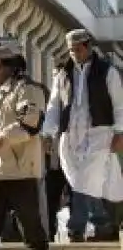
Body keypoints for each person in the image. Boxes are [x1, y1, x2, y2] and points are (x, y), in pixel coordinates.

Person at [42, 28, 123, 242]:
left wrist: (120, 132)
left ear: (87, 47)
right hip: (70, 136)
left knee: (87, 179)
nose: (73, 54)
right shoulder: (63, 74)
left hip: (100, 134)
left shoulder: (107, 71)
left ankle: (75, 227)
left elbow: (119, 105)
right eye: (70, 51)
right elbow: (54, 106)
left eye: (77, 49)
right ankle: (103, 223)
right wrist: (48, 134)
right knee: (82, 182)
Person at [0, 46, 49, 250]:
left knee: (31, 229)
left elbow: (31, 122)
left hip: (20, 172)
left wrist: (2, 138)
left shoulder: (27, 89)